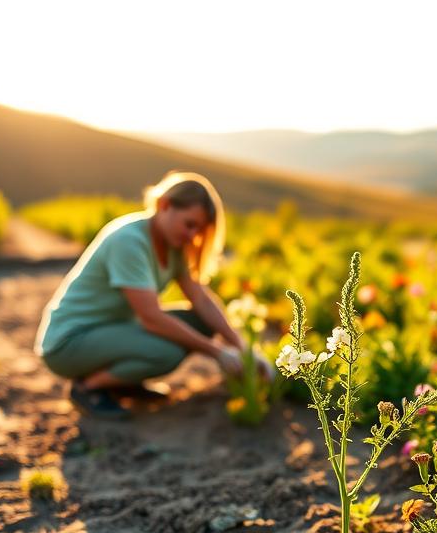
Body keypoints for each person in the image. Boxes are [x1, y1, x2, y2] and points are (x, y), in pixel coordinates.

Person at [34, 170, 272, 418]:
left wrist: (244, 348)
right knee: (166, 353)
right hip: (68, 343)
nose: (193, 236)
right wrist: (217, 352)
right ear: (164, 205)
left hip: (110, 329)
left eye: (198, 230)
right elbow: (151, 318)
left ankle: (123, 382)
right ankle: (88, 387)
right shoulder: (130, 241)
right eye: (189, 224)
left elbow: (200, 299)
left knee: (198, 321)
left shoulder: (174, 244)